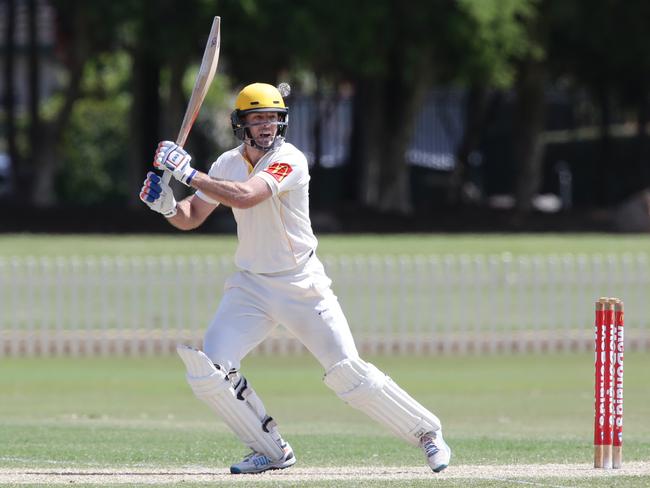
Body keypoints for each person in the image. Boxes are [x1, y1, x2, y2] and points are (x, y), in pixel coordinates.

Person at [139, 83, 451, 474]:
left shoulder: (290, 160)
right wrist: (167, 206)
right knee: (211, 370)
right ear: (242, 124)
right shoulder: (225, 165)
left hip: (301, 283)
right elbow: (192, 216)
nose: (267, 126)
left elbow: (247, 196)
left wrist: (186, 171)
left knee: (347, 374)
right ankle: (271, 451)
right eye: (258, 118)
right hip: (251, 285)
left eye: (273, 117)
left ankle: (427, 433)